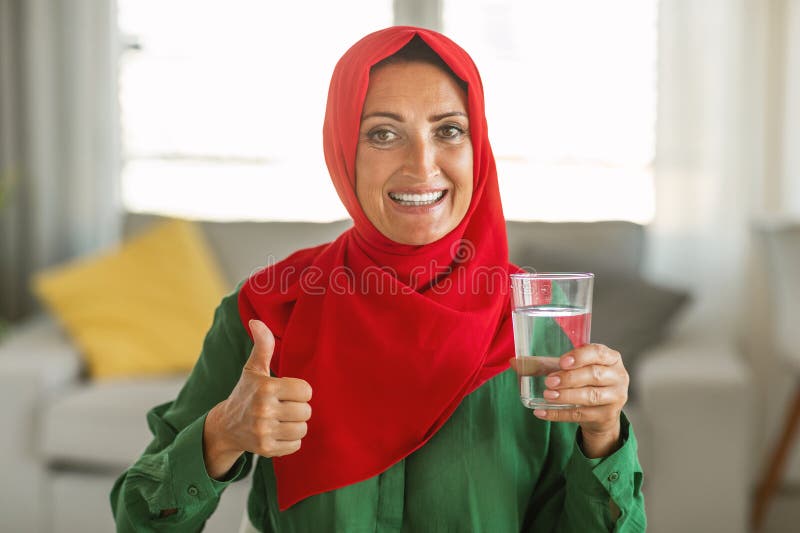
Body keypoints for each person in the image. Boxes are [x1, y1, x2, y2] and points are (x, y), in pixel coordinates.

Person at [111, 26, 645, 532]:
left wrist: (602, 435)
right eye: (384, 133)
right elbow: (138, 519)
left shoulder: (534, 318)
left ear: (477, 147)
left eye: (449, 130)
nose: (422, 166)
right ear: (344, 149)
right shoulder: (271, 312)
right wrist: (220, 434)